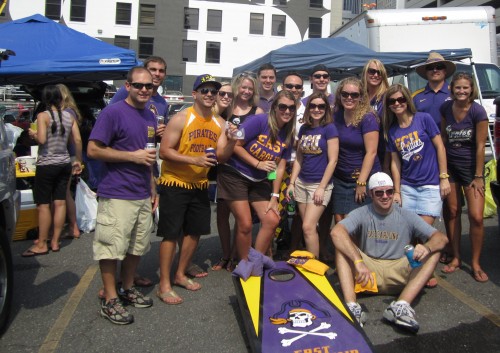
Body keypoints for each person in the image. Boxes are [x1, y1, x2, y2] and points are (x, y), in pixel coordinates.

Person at [330, 172, 448, 333]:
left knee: (434, 251)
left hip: (399, 272)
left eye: (389, 191)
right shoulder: (361, 212)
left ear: (393, 192)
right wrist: (358, 262)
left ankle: (401, 306)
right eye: (379, 192)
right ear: (371, 194)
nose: (385, 196)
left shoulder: (406, 215)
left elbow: (441, 238)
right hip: (368, 273)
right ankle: (351, 306)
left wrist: (426, 247)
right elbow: (336, 232)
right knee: (341, 245)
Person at [156, 74, 237, 305]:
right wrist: (194, 160)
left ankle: (180, 273)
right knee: (171, 234)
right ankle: (164, 284)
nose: (210, 95)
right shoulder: (182, 118)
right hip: (175, 182)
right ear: (194, 94)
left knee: (194, 231)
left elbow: (221, 157)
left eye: (214, 91)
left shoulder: (219, 123)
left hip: (199, 184)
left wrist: (231, 141)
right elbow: (164, 151)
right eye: (205, 91)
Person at [87, 67, 158, 325]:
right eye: (138, 85)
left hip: (141, 193)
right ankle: (110, 298)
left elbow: (148, 157)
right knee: (111, 248)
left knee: (136, 247)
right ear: (127, 86)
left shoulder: (150, 116)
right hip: (116, 193)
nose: (143, 90)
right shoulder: (112, 112)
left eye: (148, 86)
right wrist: (132, 156)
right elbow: (93, 150)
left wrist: (152, 188)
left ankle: (127, 288)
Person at [107, 56, 168, 286]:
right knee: (117, 236)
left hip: (146, 173)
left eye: (161, 71)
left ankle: (129, 277)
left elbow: (153, 137)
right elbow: (110, 127)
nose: (156, 74)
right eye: (152, 69)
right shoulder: (125, 96)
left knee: (139, 234)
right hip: (120, 178)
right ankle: (111, 287)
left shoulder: (160, 103)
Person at [384, 83, 451, 288]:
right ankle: (419, 270)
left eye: (401, 99)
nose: (397, 104)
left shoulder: (424, 119)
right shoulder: (392, 131)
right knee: (410, 232)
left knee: (424, 230)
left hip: (430, 185)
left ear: (407, 100)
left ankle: (420, 268)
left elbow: (440, 146)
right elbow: (395, 163)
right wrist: (396, 190)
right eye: (392, 101)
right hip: (408, 186)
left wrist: (444, 176)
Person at [217, 90, 295, 262]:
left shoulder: (288, 132)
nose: (287, 111)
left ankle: (256, 261)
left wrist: (275, 195)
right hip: (235, 174)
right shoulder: (260, 121)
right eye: (282, 106)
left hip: (259, 180)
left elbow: (279, 167)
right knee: (245, 224)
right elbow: (235, 144)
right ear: (274, 107)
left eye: (291, 108)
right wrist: (257, 163)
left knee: (272, 219)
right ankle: (244, 263)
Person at [440, 72, 489, 283]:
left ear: (471, 90)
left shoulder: (478, 111)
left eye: (465, 88)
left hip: (471, 169)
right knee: (452, 211)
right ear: (452, 88)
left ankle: (476, 262)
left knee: (476, 217)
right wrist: (441, 170)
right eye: (458, 88)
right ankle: (457, 257)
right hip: (450, 167)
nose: (461, 91)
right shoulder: (445, 108)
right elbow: (442, 139)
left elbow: (480, 146)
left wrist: (478, 176)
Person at [22, 85, 82, 257]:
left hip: (47, 163)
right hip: (64, 162)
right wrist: (77, 159)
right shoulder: (68, 116)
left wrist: (33, 134)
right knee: (60, 201)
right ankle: (55, 241)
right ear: (60, 98)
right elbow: (77, 139)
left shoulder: (43, 116)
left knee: (43, 205)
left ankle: (42, 243)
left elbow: (41, 139)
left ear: (45, 100)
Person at [286, 92, 338, 258]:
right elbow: (300, 158)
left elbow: (333, 161)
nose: (317, 109)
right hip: (302, 182)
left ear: (326, 108)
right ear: (308, 108)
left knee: (308, 227)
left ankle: (314, 268)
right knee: (307, 227)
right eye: (313, 106)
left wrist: (322, 188)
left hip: (319, 184)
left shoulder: (329, 128)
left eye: (321, 106)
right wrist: (292, 183)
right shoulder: (304, 128)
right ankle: (312, 262)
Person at [332, 77, 381, 224]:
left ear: (361, 97)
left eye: (354, 95)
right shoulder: (335, 116)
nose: (349, 98)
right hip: (340, 179)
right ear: (339, 95)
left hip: (361, 179)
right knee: (339, 221)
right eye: (345, 94)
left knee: (353, 224)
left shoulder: (368, 118)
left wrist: (361, 183)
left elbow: (371, 152)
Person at [212, 82, 238, 272]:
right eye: (222, 93)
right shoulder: (208, 112)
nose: (226, 97)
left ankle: (232, 255)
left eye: (230, 94)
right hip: (206, 167)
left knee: (234, 213)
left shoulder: (231, 116)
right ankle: (225, 253)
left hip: (226, 166)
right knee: (221, 215)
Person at [57, 83, 82, 240]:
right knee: (65, 193)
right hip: (71, 155)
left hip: (67, 155)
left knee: (63, 194)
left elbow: (73, 138)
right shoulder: (71, 111)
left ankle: (72, 226)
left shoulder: (66, 113)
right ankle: (71, 226)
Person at [361, 59, 390, 170]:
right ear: (365, 73)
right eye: (372, 71)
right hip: (362, 153)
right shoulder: (358, 97)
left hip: (384, 153)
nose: (376, 75)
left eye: (379, 72)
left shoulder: (387, 97)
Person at [413, 52, 456, 126]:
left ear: (445, 71)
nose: (435, 70)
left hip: (450, 137)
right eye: (430, 67)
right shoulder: (415, 96)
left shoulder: (455, 92)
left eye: (439, 67)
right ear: (426, 72)